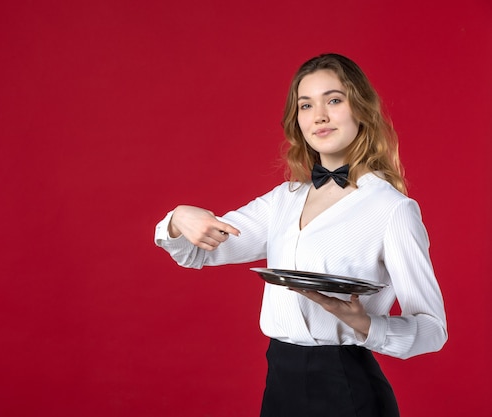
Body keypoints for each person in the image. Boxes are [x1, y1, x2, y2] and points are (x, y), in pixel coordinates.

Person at [153, 53, 447, 417]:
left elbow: (433, 330)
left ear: (361, 110)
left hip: (349, 391)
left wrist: (365, 324)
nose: (319, 115)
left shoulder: (392, 210)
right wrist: (179, 217)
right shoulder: (284, 200)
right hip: (279, 386)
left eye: (334, 100)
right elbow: (197, 252)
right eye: (306, 105)